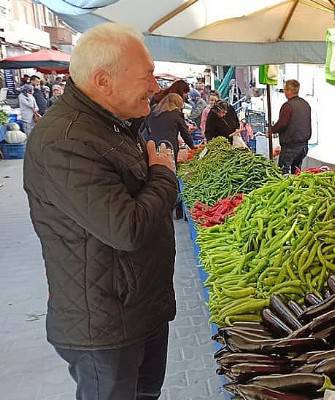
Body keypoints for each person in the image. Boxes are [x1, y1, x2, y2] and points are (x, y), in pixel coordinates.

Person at [23, 23, 178, 400]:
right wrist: (163, 174)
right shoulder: (65, 141)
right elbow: (127, 228)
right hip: (105, 327)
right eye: (148, 75)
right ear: (104, 81)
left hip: (137, 310)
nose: (155, 86)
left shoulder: (110, 125)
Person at [271, 79, 311, 174]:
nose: (284, 92)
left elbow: (282, 123)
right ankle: (296, 187)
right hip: (303, 146)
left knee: (282, 172)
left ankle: (287, 188)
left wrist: (271, 130)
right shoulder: (305, 104)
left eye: (285, 89)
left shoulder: (288, 106)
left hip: (290, 147)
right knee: (296, 171)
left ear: (289, 91)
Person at [144, 92, 195, 161]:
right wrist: (192, 147)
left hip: (152, 145)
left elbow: (146, 125)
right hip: (169, 146)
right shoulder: (176, 114)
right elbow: (185, 133)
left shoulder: (154, 112)